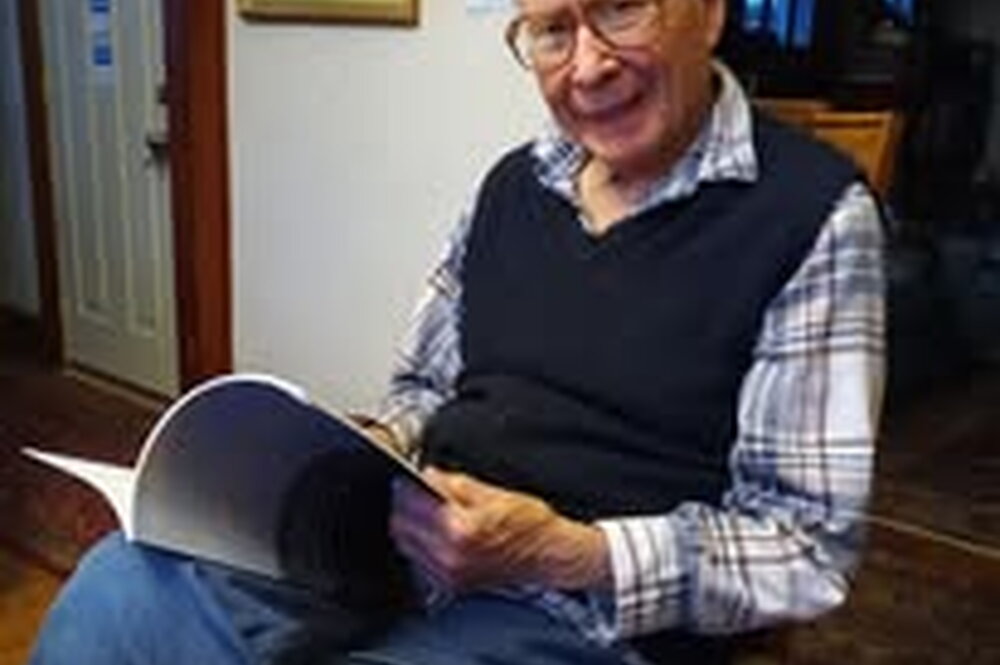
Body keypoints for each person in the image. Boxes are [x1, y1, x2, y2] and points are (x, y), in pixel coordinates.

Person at [29, 0, 885, 663]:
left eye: (622, 9)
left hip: (584, 620)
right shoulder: (513, 186)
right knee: (124, 589)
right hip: (396, 558)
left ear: (711, 11)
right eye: (551, 31)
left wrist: (565, 552)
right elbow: (423, 391)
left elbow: (805, 548)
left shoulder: (812, 216)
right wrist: (361, 449)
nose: (589, 65)